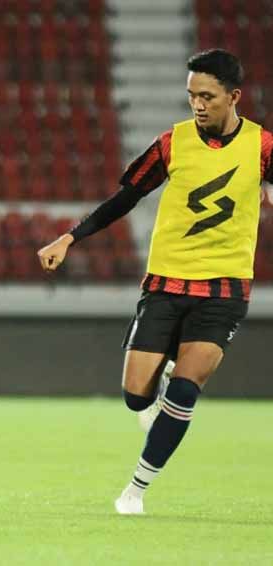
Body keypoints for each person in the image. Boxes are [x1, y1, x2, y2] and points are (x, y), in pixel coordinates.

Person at [37, 49, 273, 515]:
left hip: (223, 290)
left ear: (234, 97)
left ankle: (135, 490)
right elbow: (124, 198)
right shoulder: (172, 143)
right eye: (191, 96)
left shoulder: (264, 148)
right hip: (165, 284)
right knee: (135, 396)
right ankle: (156, 383)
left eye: (207, 96)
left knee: (186, 390)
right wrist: (69, 237)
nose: (198, 105)